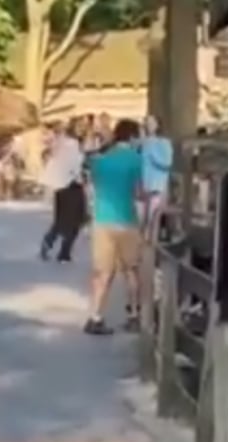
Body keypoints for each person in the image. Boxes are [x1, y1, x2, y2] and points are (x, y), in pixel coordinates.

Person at [84, 119, 144, 335]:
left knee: (102, 273)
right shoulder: (136, 160)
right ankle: (134, 315)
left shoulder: (99, 161)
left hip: (102, 220)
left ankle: (95, 316)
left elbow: (94, 186)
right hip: (126, 219)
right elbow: (138, 192)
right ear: (133, 136)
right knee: (131, 270)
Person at [39, 121, 87, 263]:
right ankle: (63, 251)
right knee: (76, 219)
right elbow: (75, 165)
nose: (83, 129)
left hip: (61, 185)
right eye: (80, 127)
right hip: (72, 185)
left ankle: (50, 242)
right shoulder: (72, 144)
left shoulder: (60, 143)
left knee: (62, 219)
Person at [138, 115, 173, 241]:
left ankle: (151, 250)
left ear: (158, 125)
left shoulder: (163, 143)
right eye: (146, 122)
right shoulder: (142, 143)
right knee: (142, 221)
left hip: (157, 186)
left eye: (152, 122)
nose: (149, 125)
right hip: (143, 186)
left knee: (153, 220)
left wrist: (151, 147)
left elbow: (166, 163)